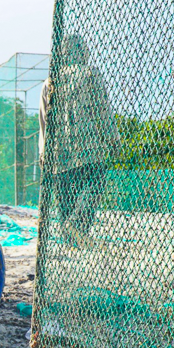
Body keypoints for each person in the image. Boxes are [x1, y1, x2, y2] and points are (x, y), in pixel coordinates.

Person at [38, 34, 118, 245]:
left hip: (57, 149)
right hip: (87, 144)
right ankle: (78, 225)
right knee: (94, 183)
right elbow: (102, 110)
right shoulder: (90, 74)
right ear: (82, 52)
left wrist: (43, 152)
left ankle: (70, 239)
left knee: (65, 196)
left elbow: (43, 120)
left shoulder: (50, 82)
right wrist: (112, 139)